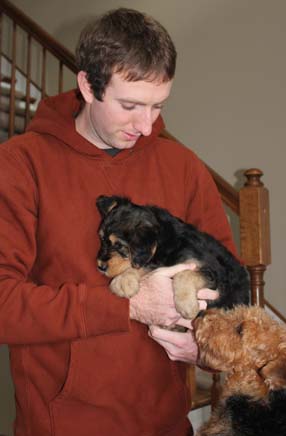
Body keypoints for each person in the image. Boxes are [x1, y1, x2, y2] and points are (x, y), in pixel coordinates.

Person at [0, 8, 238, 436]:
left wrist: (204, 342)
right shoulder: (21, 165)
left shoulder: (183, 166)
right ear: (88, 86)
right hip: (64, 425)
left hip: (167, 424)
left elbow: (228, 279)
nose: (147, 127)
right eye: (130, 106)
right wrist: (125, 305)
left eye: (158, 106)